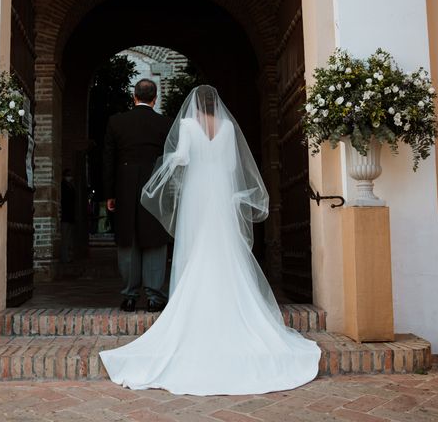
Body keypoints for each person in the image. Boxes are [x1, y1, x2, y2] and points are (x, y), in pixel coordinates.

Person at [99, 85, 321, 395]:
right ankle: (208, 297)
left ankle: (164, 296)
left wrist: (162, 176)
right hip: (220, 191)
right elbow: (232, 166)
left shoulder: (187, 126)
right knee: (223, 247)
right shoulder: (229, 128)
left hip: (196, 192)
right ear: (216, 105)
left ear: (194, 106)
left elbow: (182, 158)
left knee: (193, 246)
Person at [103, 78, 173, 312]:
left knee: (128, 239)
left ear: (134, 97)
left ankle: (130, 296)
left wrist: (110, 194)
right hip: (155, 187)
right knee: (155, 240)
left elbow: (108, 161)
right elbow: (171, 162)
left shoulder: (117, 122)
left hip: (125, 186)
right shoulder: (165, 123)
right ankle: (154, 297)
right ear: (155, 98)